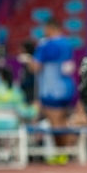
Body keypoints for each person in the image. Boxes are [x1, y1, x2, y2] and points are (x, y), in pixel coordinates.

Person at [31, 18, 76, 154]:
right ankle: (66, 151)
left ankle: (62, 153)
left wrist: (28, 62)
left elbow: (35, 67)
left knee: (55, 124)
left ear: (49, 28)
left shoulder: (45, 45)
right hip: (66, 88)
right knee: (63, 122)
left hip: (51, 90)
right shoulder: (67, 43)